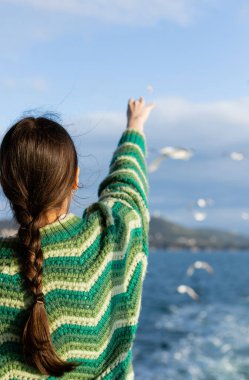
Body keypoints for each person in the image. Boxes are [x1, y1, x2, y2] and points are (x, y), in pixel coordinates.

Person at [0, 96, 155, 379]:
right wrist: (134, 127)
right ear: (75, 179)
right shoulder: (109, 236)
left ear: (7, 185)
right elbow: (127, 190)